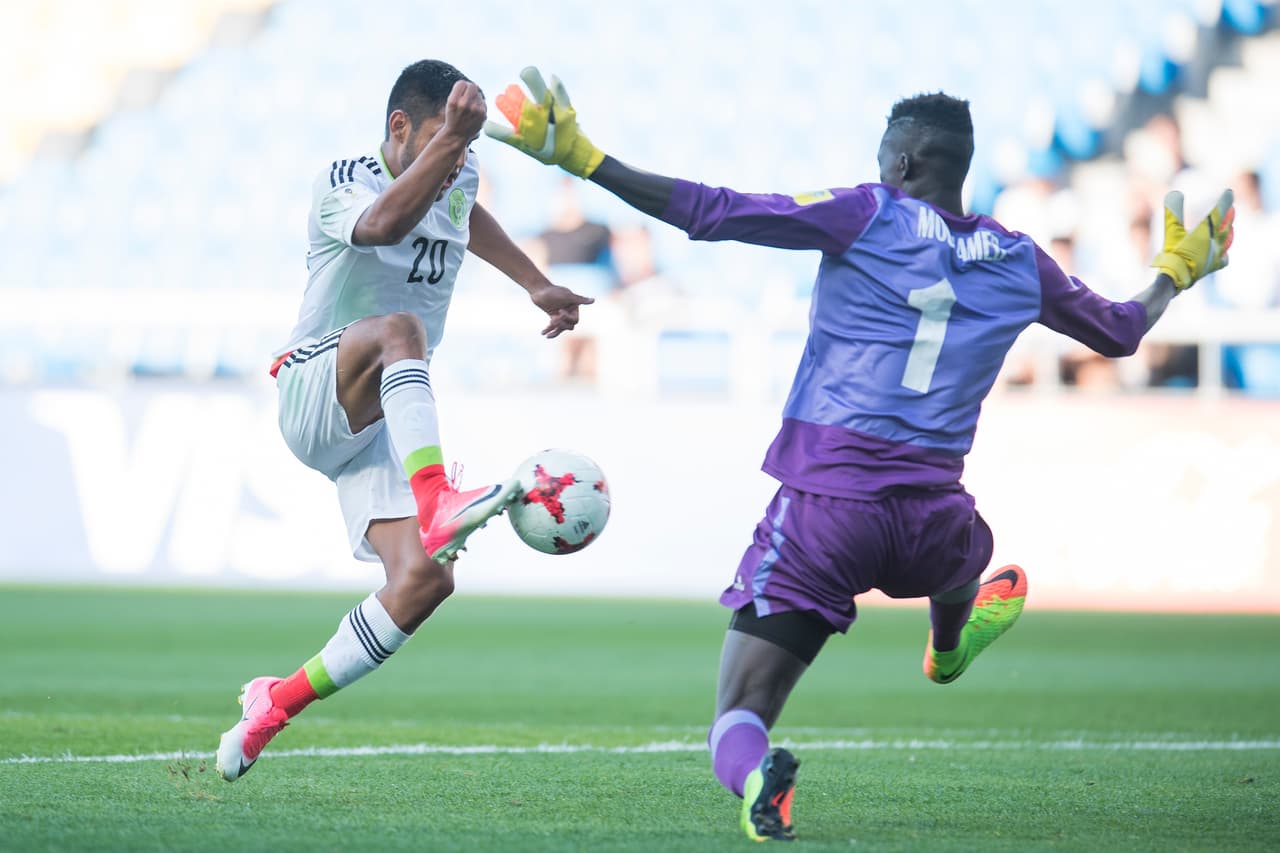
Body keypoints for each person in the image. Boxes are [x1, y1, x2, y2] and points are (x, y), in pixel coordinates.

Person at [485, 67, 1235, 841]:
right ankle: (949, 644)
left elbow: (713, 211)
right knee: (966, 553)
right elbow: (1118, 330)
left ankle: (759, 779)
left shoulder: (868, 213)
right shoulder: (1019, 260)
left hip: (828, 509)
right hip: (933, 519)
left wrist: (586, 160)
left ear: (902, 163)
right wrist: (1174, 272)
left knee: (738, 712)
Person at [214, 60, 594, 783]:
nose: (457, 163)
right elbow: (383, 224)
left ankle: (272, 705)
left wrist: (536, 282)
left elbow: (465, 213)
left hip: (382, 415)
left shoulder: (458, 169)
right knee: (400, 328)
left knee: (424, 581)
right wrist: (453, 140)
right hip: (314, 384)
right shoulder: (344, 180)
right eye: (444, 142)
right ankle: (437, 498)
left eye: (463, 150)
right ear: (400, 128)